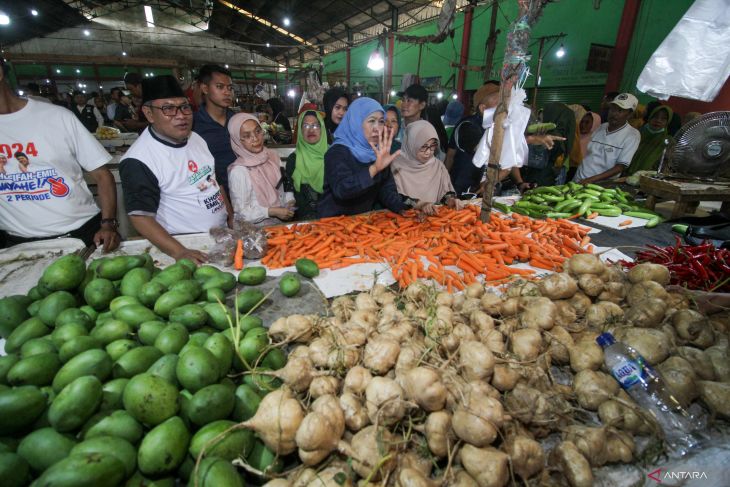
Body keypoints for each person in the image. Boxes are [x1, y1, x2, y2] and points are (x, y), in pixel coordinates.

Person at [0, 59, 120, 251]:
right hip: (16, 243)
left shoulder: (56, 117)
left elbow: (102, 175)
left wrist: (108, 224)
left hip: (81, 232)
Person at [119, 75, 228, 264]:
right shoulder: (138, 159)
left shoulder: (196, 139)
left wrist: (231, 217)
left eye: (185, 107)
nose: (180, 116)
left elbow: (214, 181)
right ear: (149, 113)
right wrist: (180, 252)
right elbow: (140, 217)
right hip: (184, 245)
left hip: (220, 237)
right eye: (168, 109)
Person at [317, 97, 413, 218]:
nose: (377, 128)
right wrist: (374, 169)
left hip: (363, 223)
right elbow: (342, 190)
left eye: (381, 121)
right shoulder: (337, 153)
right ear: (356, 122)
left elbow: (386, 190)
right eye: (371, 121)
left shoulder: (377, 152)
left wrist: (407, 206)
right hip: (333, 224)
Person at [227, 113, 295, 225]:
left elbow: (284, 184)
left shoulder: (272, 156)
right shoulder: (239, 171)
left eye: (258, 131)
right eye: (247, 136)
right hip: (256, 233)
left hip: (279, 227)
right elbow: (241, 213)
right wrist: (271, 211)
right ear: (237, 141)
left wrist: (289, 200)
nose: (255, 139)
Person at [391, 120, 461, 212]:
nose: (428, 152)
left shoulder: (438, 166)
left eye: (433, 146)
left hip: (434, 220)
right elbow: (393, 198)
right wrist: (420, 204)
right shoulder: (396, 167)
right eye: (423, 147)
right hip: (405, 221)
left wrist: (450, 200)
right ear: (411, 144)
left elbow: (445, 192)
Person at [574, 93, 641, 184]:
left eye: (620, 110)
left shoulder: (632, 135)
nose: (614, 114)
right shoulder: (601, 127)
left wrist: (590, 180)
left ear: (629, 114)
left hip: (598, 185)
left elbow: (620, 167)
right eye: (612, 109)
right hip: (579, 178)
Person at [193, 64, 237, 193]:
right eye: (220, 87)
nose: (227, 92)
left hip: (243, 191)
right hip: (212, 194)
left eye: (230, 88)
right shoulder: (194, 125)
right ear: (205, 88)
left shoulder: (237, 121)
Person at [286, 110, 328, 220]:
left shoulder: (332, 155)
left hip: (332, 218)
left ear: (322, 128)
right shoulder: (293, 159)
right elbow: (296, 196)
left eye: (315, 125)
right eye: (305, 125)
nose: (310, 130)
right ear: (300, 130)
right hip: (304, 221)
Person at [625, 104, 673, 176]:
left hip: (649, 179)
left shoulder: (668, 142)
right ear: (650, 117)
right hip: (624, 174)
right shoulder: (636, 133)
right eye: (655, 117)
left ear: (668, 122)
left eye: (663, 118)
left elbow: (667, 165)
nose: (658, 121)